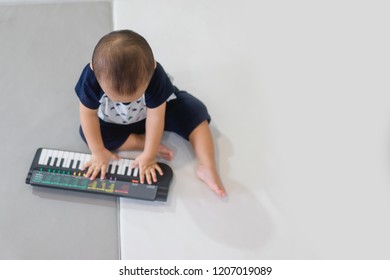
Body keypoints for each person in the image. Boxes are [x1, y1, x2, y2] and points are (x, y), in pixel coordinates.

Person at [75, 30, 226, 197]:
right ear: (94, 69)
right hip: (111, 119)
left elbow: (156, 117)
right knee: (87, 133)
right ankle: (139, 141)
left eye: (135, 96)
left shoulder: (156, 77)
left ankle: (207, 166)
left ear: (152, 69)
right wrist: (98, 151)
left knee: (194, 111)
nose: (126, 103)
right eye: (115, 97)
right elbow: (88, 115)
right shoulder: (91, 78)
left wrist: (149, 154)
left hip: (151, 112)